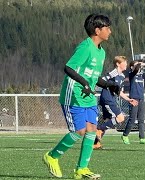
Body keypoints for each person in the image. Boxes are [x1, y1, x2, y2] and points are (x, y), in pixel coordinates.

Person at [43, 14, 119, 179]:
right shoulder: (85, 47)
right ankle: (52, 156)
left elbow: (94, 76)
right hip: (75, 95)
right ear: (97, 30)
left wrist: (109, 85)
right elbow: (69, 68)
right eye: (107, 27)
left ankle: (82, 169)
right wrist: (84, 83)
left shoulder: (101, 52)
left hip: (89, 96)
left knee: (92, 130)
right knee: (79, 131)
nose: (110, 31)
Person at [93, 56, 138, 149]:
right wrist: (92, 88)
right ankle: (99, 129)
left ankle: (96, 143)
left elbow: (119, 91)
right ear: (118, 64)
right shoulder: (113, 73)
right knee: (120, 118)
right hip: (107, 99)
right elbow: (100, 80)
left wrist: (128, 99)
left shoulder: (121, 76)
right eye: (124, 62)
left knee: (107, 121)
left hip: (111, 99)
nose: (126, 64)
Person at [121, 61, 145, 145]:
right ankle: (125, 135)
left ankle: (142, 138)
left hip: (141, 99)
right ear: (131, 67)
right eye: (136, 66)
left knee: (141, 120)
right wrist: (139, 64)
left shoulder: (141, 76)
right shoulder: (132, 74)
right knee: (132, 119)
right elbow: (135, 70)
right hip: (134, 99)